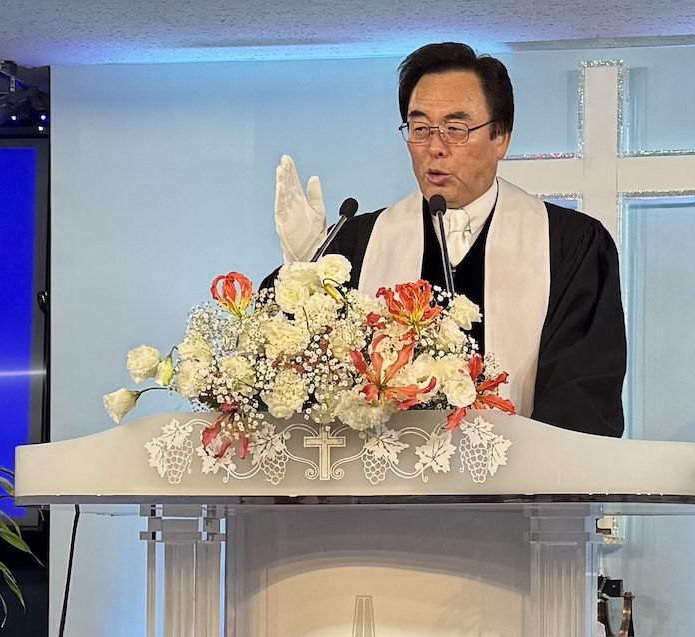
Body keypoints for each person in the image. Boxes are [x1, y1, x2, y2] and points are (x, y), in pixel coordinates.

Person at [266, 42, 626, 437]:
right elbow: (289, 374)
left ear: (501, 137)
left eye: (455, 129)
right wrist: (301, 269)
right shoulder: (358, 242)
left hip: (516, 475)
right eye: (420, 129)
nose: (435, 148)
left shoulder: (571, 245)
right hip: (384, 474)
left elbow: (582, 401)